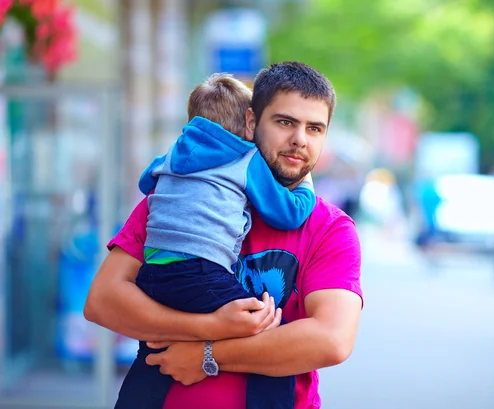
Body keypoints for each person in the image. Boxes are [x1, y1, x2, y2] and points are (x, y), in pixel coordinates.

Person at [84, 61, 363, 409]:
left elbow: (330, 339)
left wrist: (205, 355)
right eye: (285, 122)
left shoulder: (329, 228)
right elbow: (102, 303)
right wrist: (209, 326)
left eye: (315, 128)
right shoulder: (176, 200)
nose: (299, 140)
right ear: (251, 122)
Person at [117, 73, 316, 409]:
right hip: (200, 271)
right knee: (264, 330)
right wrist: (307, 183)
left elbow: (144, 182)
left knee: (154, 347)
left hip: (151, 273)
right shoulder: (245, 157)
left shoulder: (172, 155)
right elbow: (290, 214)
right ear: (248, 122)